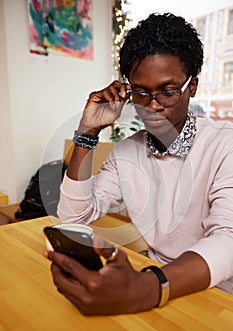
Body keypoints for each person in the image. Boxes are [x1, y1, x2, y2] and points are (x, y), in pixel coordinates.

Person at [44, 12, 233, 315]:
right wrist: (87, 133)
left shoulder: (225, 144)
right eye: (141, 93)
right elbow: (74, 216)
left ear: (192, 86)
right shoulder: (126, 153)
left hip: (215, 296)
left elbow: (228, 239)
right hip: (152, 286)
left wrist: (148, 286)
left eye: (168, 91)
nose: (153, 106)